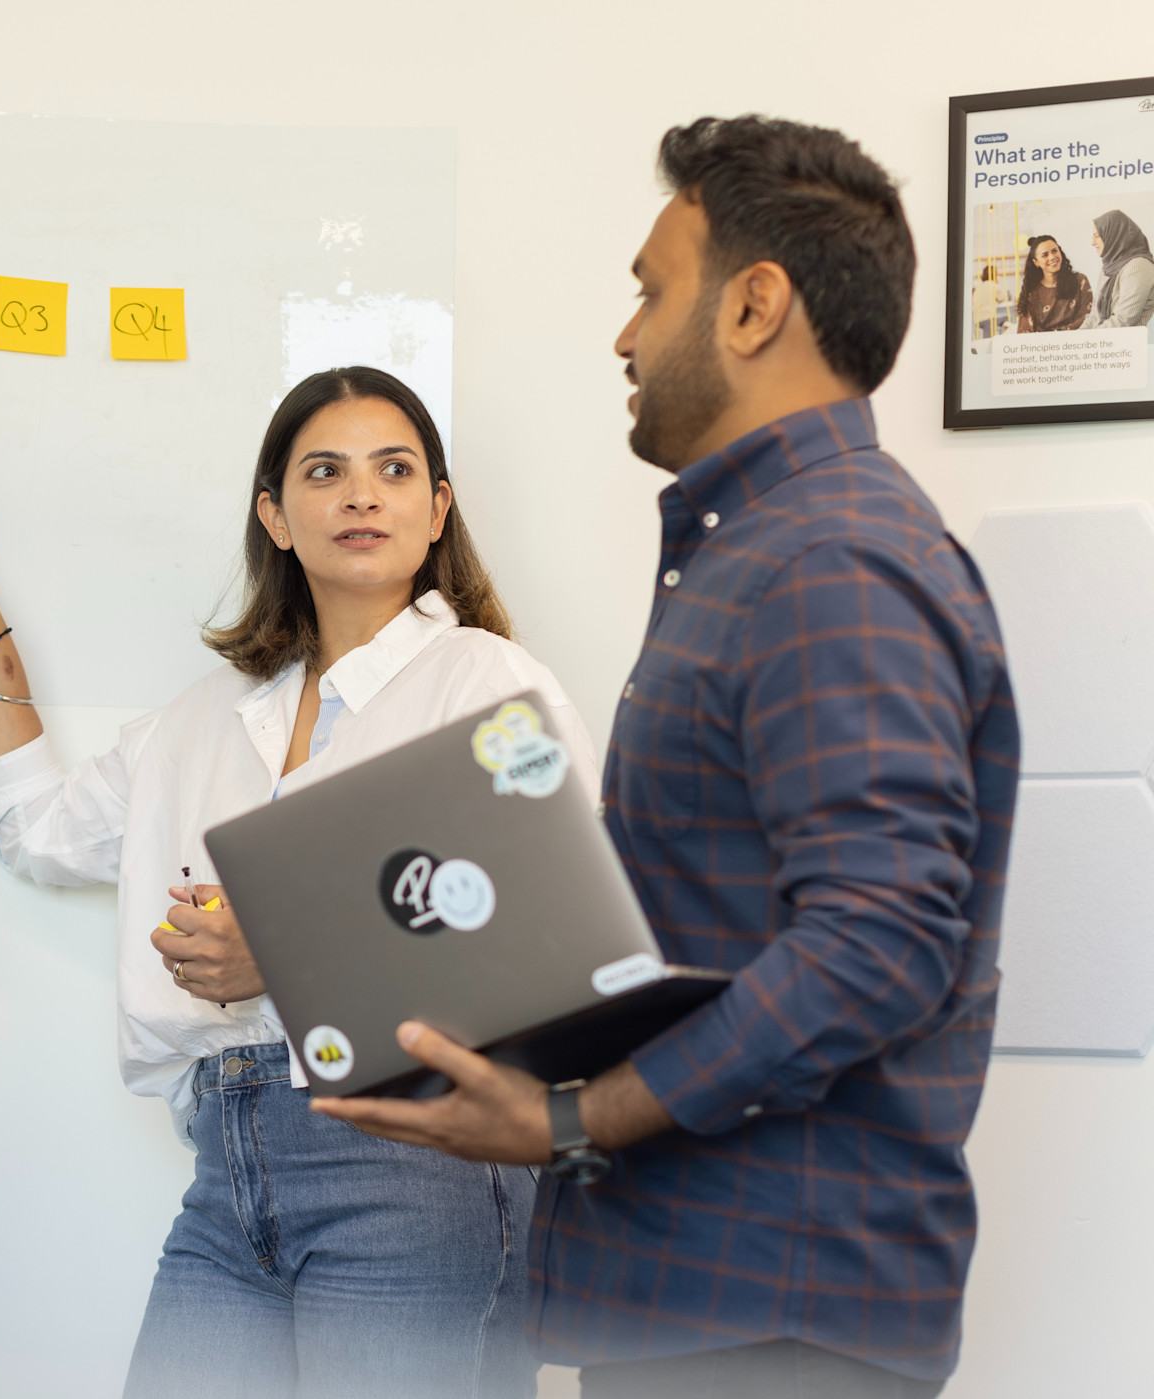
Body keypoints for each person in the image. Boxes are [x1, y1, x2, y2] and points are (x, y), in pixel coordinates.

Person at [314, 117, 1018, 1399]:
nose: (624, 334)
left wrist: (570, 1120)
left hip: (766, 1316)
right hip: (705, 1305)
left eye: (649, 289)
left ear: (752, 306)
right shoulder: (765, 551)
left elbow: (877, 942)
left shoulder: (827, 561)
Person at [0, 366, 599, 1399]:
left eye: (394, 470)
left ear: (435, 509)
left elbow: (559, 930)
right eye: (325, 471)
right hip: (228, 1171)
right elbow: (36, 830)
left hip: (415, 1161)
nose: (361, 495)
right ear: (274, 513)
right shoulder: (204, 718)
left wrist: (285, 956)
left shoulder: (483, 681)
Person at [1084, 208, 1154, 328]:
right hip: (1103, 340)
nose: (1093, 243)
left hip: (1128, 343)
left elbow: (1124, 320)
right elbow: (1094, 315)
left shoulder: (1139, 266)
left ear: (1113, 234)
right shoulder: (1108, 268)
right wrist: (1076, 339)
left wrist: (1089, 341)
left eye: (1097, 236)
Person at [1014, 234, 1091, 332]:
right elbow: (1024, 332)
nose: (1052, 257)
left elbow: (1087, 319)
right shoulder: (1031, 292)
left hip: (1076, 343)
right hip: (1041, 346)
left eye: (1055, 251)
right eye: (1045, 255)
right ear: (1036, 262)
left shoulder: (1080, 281)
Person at [969, 262, 1002, 340]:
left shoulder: (978, 287)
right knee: (988, 341)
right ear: (995, 275)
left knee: (1003, 320)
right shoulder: (994, 285)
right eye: (998, 274)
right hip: (988, 320)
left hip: (977, 321)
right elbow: (1002, 298)